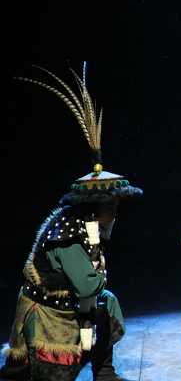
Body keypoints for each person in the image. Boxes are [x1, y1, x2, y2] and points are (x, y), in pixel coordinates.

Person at [1, 63, 142, 381]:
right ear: (93, 206)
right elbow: (88, 284)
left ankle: (104, 372)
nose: (115, 209)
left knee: (108, 304)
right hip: (51, 313)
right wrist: (98, 279)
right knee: (52, 370)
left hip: (71, 303)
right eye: (110, 204)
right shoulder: (67, 234)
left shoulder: (88, 225)